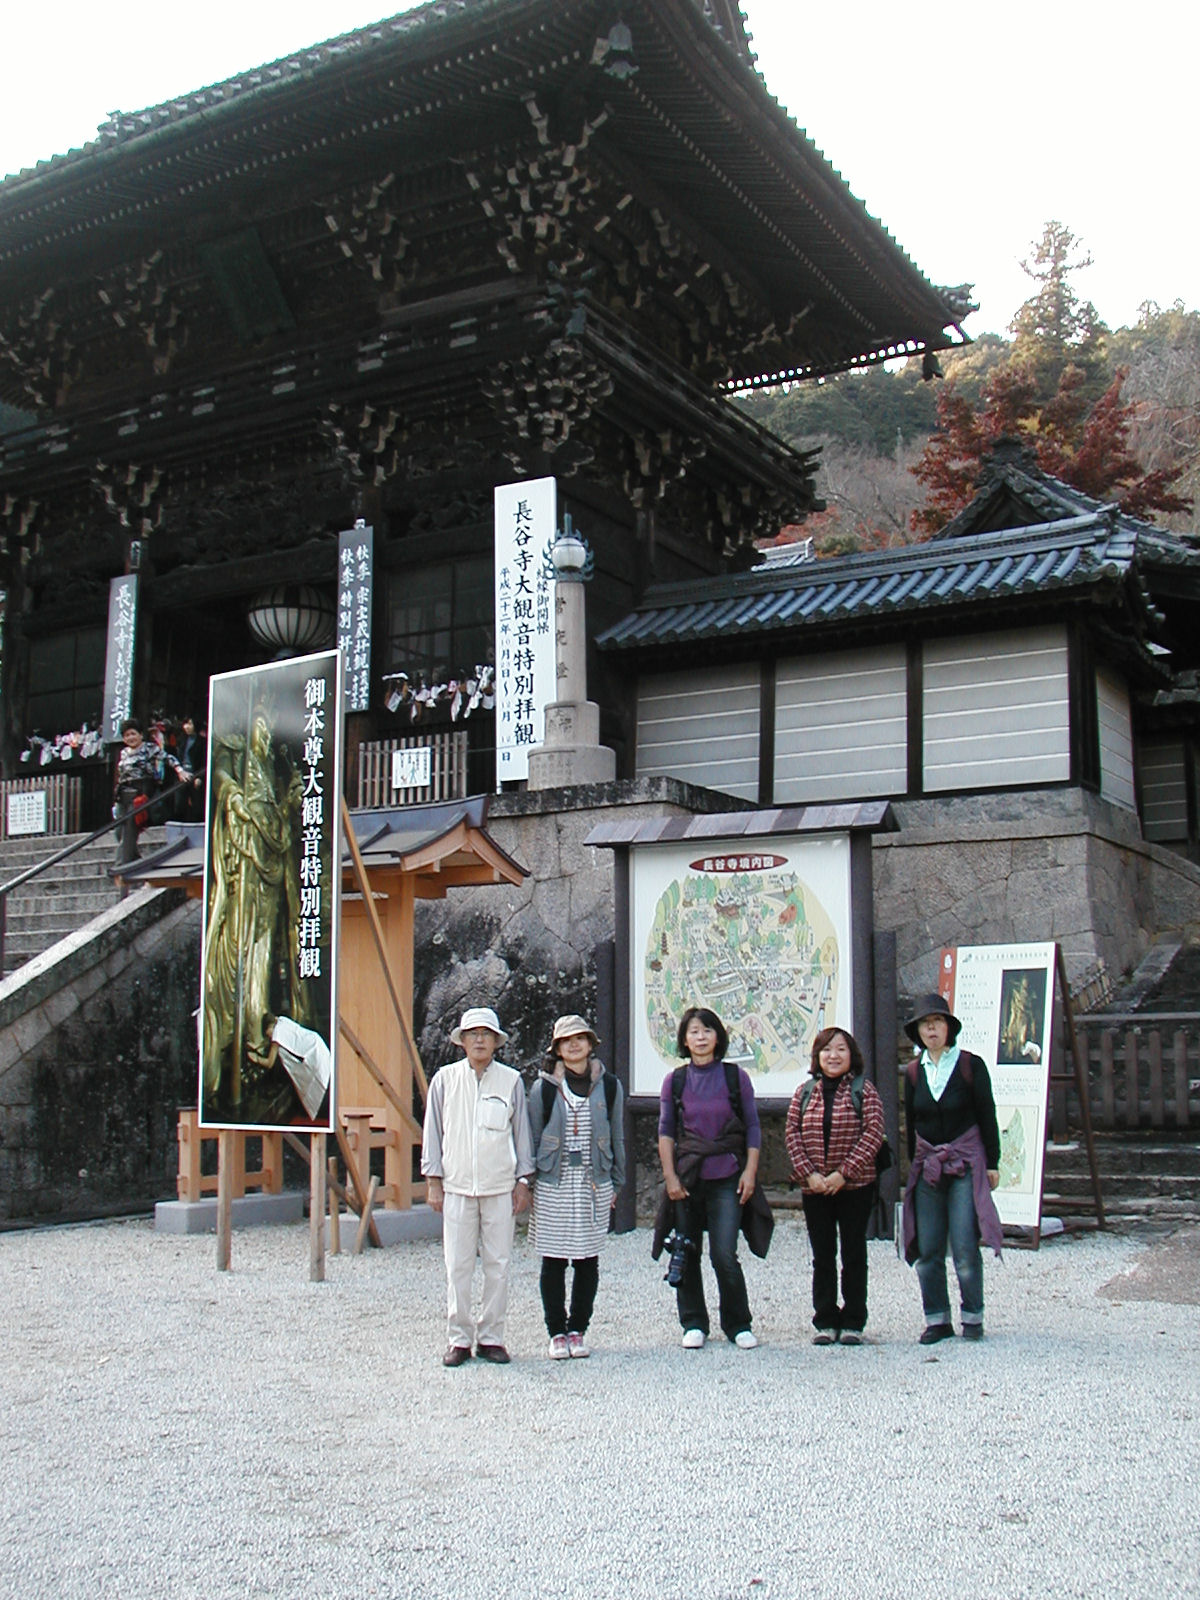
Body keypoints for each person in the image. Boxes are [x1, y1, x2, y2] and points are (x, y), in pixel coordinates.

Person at [421, 1008, 535, 1367]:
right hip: (456, 1186)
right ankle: (458, 1339)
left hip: (500, 1186)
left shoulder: (511, 1081)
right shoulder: (445, 1079)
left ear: (497, 1041)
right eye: (473, 1034)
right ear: (463, 1040)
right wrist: (433, 1181)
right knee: (457, 1266)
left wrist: (523, 1181)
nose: (480, 1040)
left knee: (498, 1264)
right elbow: (433, 1132)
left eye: (486, 1034)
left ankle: (491, 1337)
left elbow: (522, 1134)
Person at [655, 1006, 761, 1350]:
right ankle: (693, 1322)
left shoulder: (735, 1077)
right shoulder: (675, 1081)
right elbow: (666, 1131)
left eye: (707, 1031)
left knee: (724, 1253)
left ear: (718, 1036)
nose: (700, 1038)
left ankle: (737, 1323)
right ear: (684, 1040)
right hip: (688, 1176)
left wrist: (750, 1171)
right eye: (694, 1032)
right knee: (686, 1250)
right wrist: (670, 1176)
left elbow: (753, 1126)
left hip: (727, 1174)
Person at [901, 994, 1003, 1344]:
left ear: (949, 1028)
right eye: (925, 1024)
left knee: (963, 1243)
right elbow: (911, 1121)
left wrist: (993, 1162)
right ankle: (937, 1319)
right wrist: (914, 1166)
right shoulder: (914, 1072)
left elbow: (986, 1113)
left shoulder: (970, 1065)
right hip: (929, 1165)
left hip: (964, 1162)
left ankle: (972, 1316)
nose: (931, 1029)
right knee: (929, 1247)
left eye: (937, 1022)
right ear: (918, 1032)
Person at [527, 1015, 625, 1359]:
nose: (573, 1045)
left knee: (587, 1259)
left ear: (590, 1044)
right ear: (556, 1048)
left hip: (593, 1180)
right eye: (566, 1040)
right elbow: (533, 1137)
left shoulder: (609, 1085)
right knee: (553, 1259)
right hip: (553, 1180)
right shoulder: (543, 1088)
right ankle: (556, 1331)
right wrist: (529, 1182)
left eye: (580, 1038)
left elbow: (617, 1135)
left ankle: (578, 1328)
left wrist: (617, 1180)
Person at [785, 1026, 884, 1346]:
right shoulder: (804, 1092)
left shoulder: (864, 1091)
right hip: (814, 1188)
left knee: (853, 1253)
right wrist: (809, 1174)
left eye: (841, 1049)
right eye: (827, 1049)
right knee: (822, 1254)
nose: (833, 1056)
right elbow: (792, 1134)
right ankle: (825, 1318)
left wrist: (843, 1173)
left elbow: (873, 1135)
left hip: (855, 1187)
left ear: (851, 1054)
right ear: (817, 1056)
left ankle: (854, 1319)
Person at [112, 718, 163, 867]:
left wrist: (180, 770)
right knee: (119, 831)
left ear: (141, 735)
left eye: (133, 734)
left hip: (139, 792)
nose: (130, 738)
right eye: (127, 735)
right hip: (123, 793)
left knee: (129, 830)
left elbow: (167, 758)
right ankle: (134, 858)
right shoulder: (124, 753)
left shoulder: (149, 748)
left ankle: (120, 865)